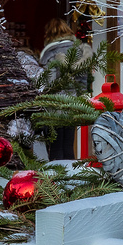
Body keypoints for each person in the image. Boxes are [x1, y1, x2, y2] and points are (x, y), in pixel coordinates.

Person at [38, 18, 90, 160]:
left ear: (49, 34)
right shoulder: (78, 50)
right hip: (72, 103)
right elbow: (83, 80)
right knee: (68, 144)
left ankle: (57, 178)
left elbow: (48, 81)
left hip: (54, 105)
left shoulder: (50, 52)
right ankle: (71, 178)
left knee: (55, 146)